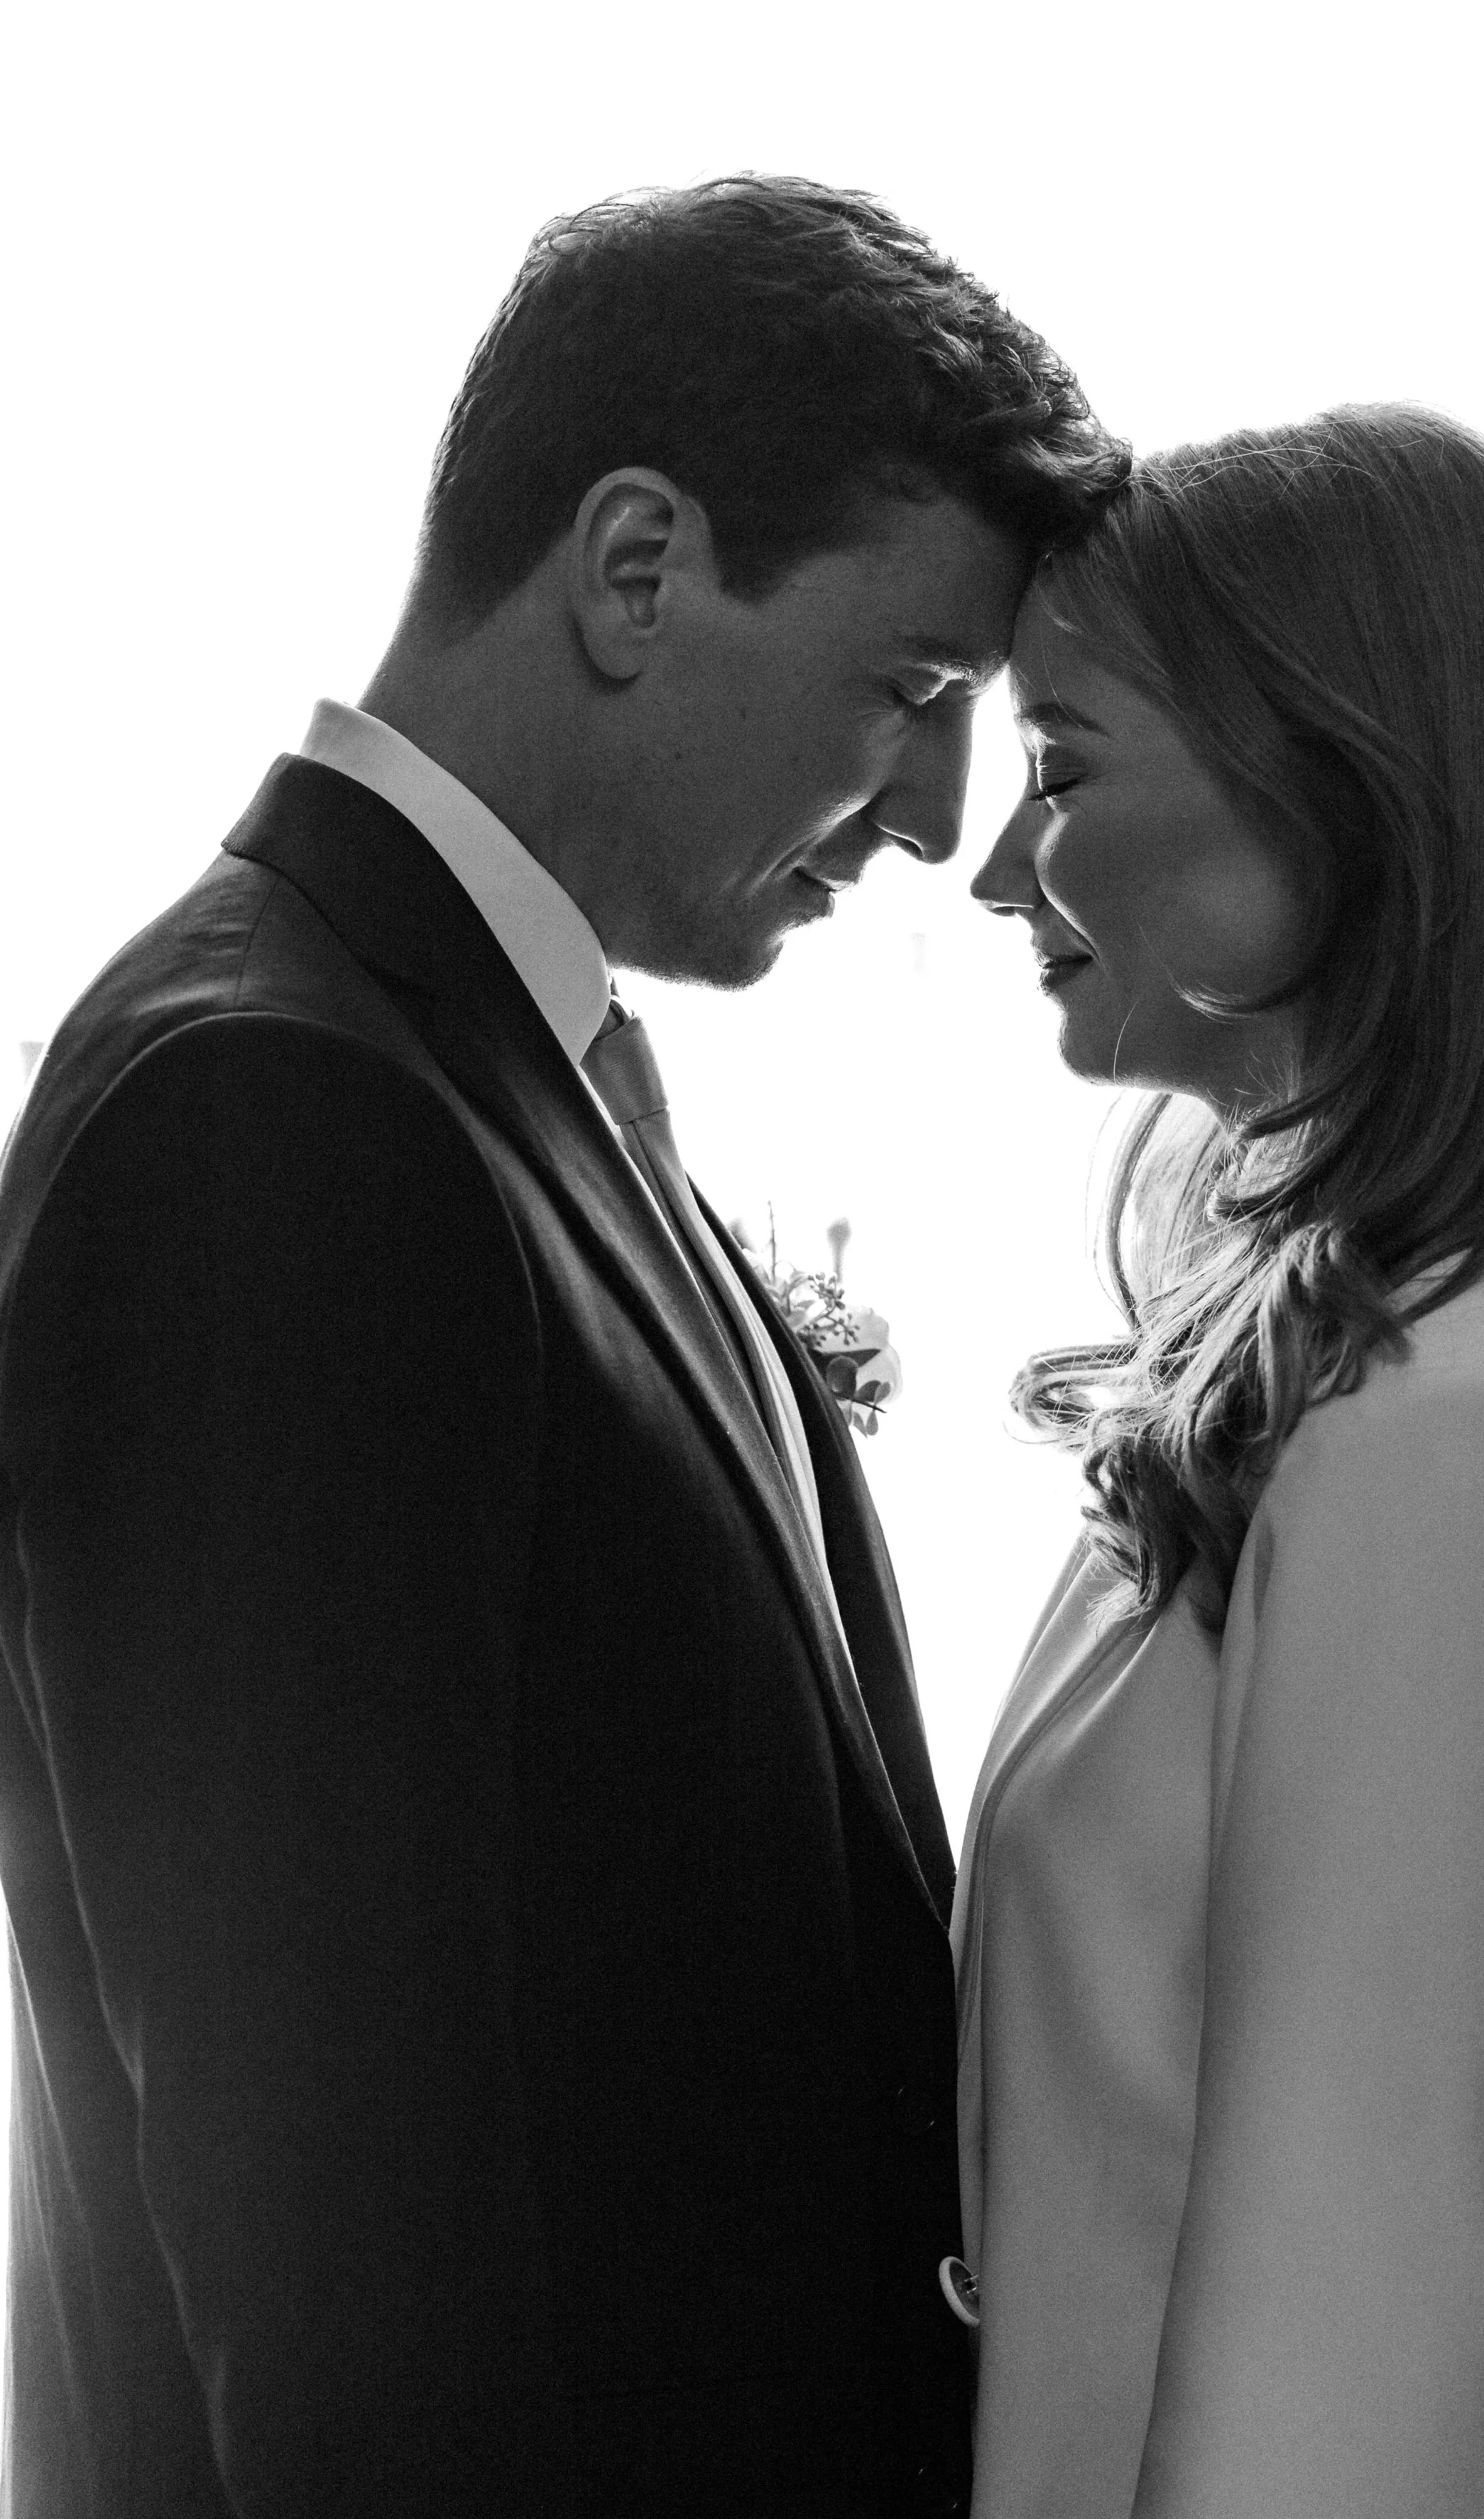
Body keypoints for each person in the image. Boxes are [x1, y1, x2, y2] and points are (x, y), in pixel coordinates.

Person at [0, 175, 1126, 2518]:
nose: (933, 820)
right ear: (634, 565)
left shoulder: (488, 1077)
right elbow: (329, 2245)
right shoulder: (270, 1111)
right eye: (908, 692)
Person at [960, 406, 1484, 2516]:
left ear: (1336, 782)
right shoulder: (1393, 1361)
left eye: (1058, 765)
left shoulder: (1472, 1432)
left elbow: (1341, 2376)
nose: (987, 870)